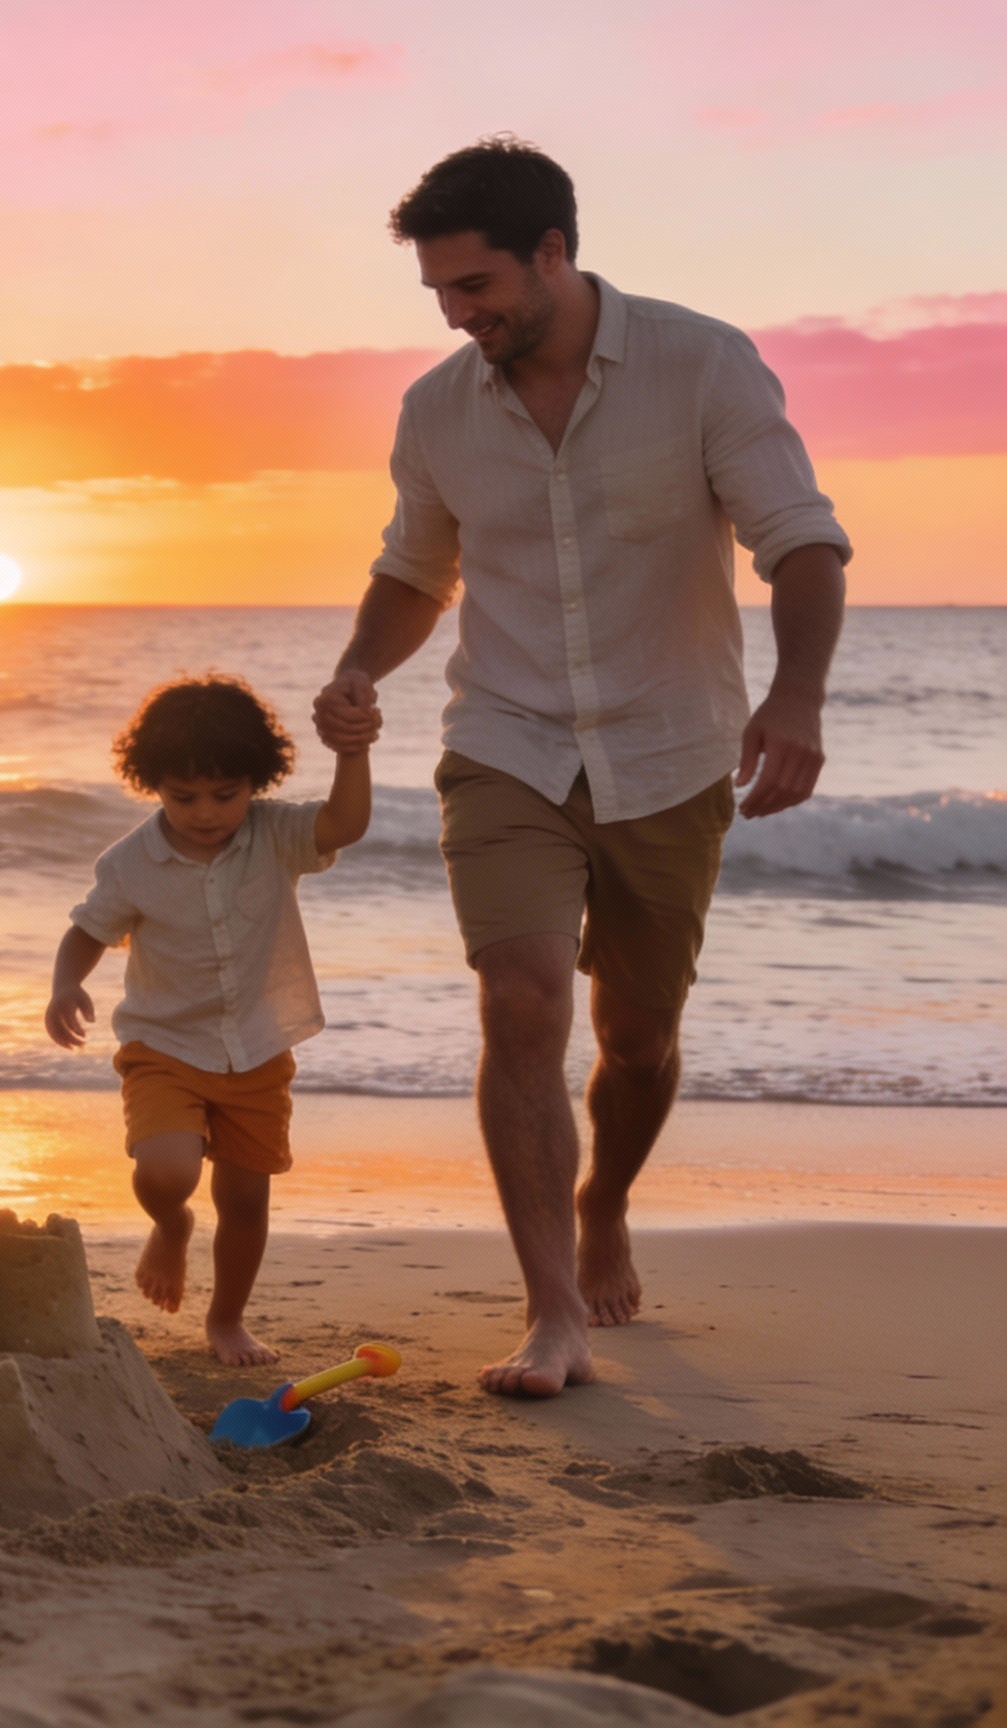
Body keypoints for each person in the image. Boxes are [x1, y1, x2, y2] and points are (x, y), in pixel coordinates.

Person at [313, 139, 851, 1398]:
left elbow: (802, 544)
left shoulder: (701, 361)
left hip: (669, 751)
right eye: (441, 293)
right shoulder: (438, 409)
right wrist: (359, 669)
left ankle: (605, 1197)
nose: (460, 313)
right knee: (521, 999)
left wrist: (799, 695)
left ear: (554, 251)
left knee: (641, 1039)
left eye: (478, 285)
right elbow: (414, 568)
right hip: (504, 742)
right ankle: (551, 1312)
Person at [45, 675, 375, 1366]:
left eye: (225, 794)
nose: (204, 812)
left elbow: (345, 825)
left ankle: (227, 1320)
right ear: (152, 783)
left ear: (256, 780)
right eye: (182, 795)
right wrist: (65, 983)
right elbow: (87, 930)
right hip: (164, 1043)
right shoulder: (131, 862)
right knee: (168, 1173)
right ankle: (170, 1226)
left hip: (256, 1047)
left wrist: (352, 751)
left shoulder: (276, 834)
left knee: (246, 1198)